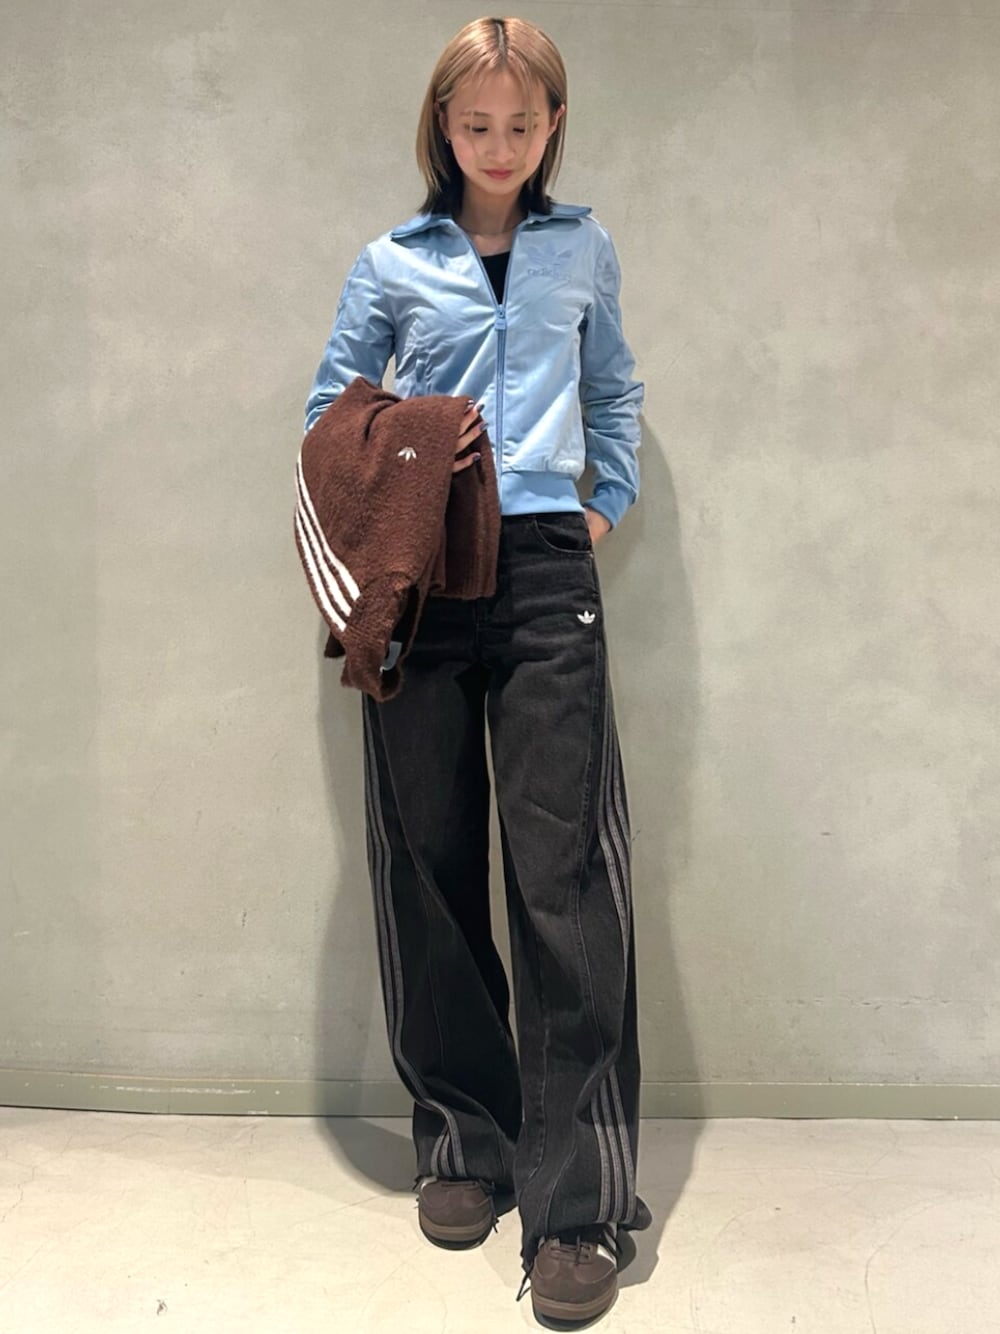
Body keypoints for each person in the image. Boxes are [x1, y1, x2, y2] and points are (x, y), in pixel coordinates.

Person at [303, 15, 648, 1326]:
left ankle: (580, 1204)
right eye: (474, 124)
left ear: (552, 125)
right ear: (442, 129)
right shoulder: (393, 261)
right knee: (425, 852)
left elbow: (613, 392)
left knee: (567, 875)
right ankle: (463, 1139)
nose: (498, 146)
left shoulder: (582, 248)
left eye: (521, 123)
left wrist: (597, 505)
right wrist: (405, 481)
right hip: (424, 569)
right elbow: (331, 419)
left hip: (549, 565)